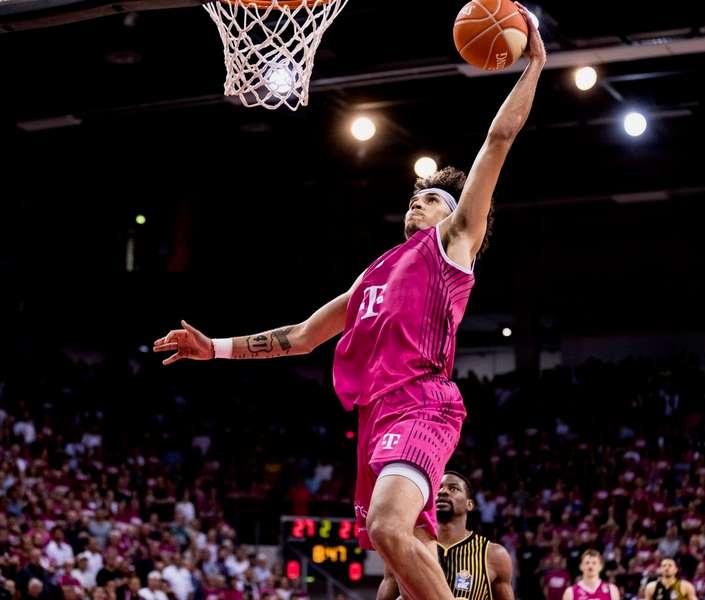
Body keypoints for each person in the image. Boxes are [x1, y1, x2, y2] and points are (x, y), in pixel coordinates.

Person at [152, 5, 547, 600]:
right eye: (417, 197)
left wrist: (535, 65)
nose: (420, 202)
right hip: (375, 416)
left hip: (424, 403)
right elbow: (303, 336)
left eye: (434, 197)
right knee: (395, 551)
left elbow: (498, 138)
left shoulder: (454, 246)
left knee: (389, 526)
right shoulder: (374, 275)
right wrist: (215, 350)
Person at [377, 472, 513, 600]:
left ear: (469, 504)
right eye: (438, 488)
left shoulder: (494, 555)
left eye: (453, 489)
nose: (442, 492)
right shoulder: (407, 548)